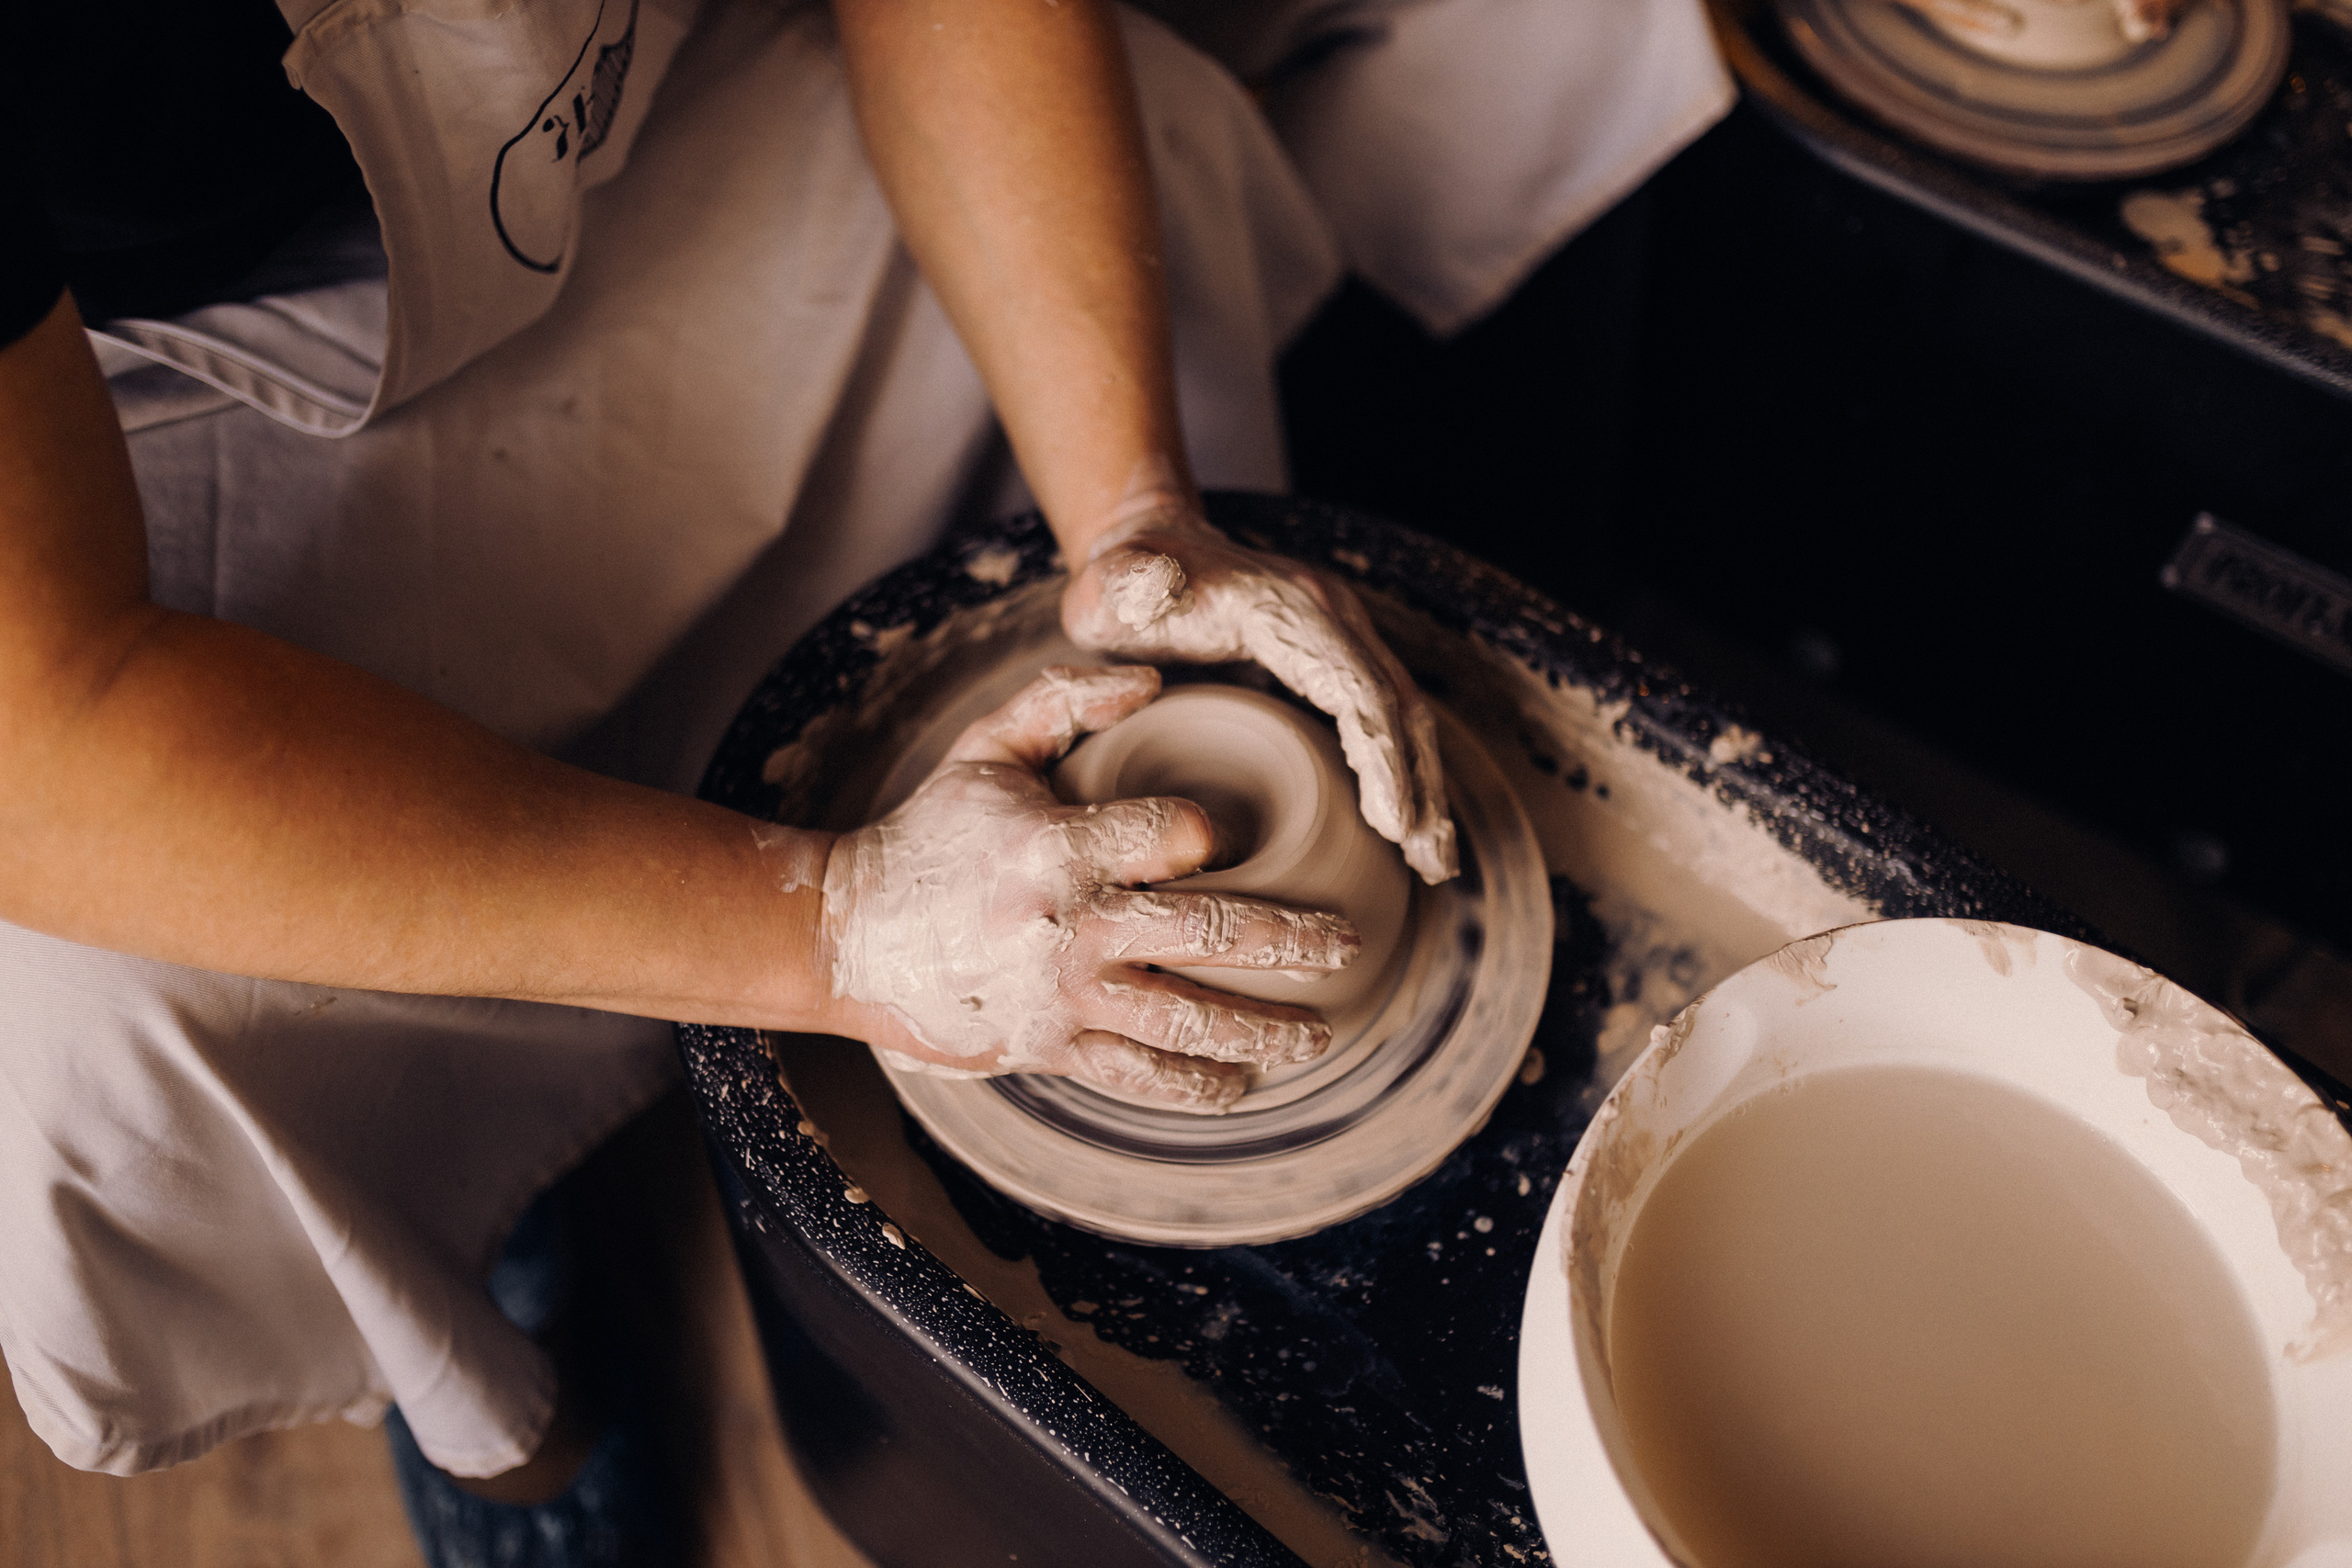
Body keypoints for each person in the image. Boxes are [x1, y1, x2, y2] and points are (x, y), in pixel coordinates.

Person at [2, 0, 1728, 1560]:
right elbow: (47, 739)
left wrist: (1133, 516)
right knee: (110, 1020)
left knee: (1154, 135)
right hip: (157, 416)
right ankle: (489, 1382)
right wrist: (832, 927)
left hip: (648, 123)